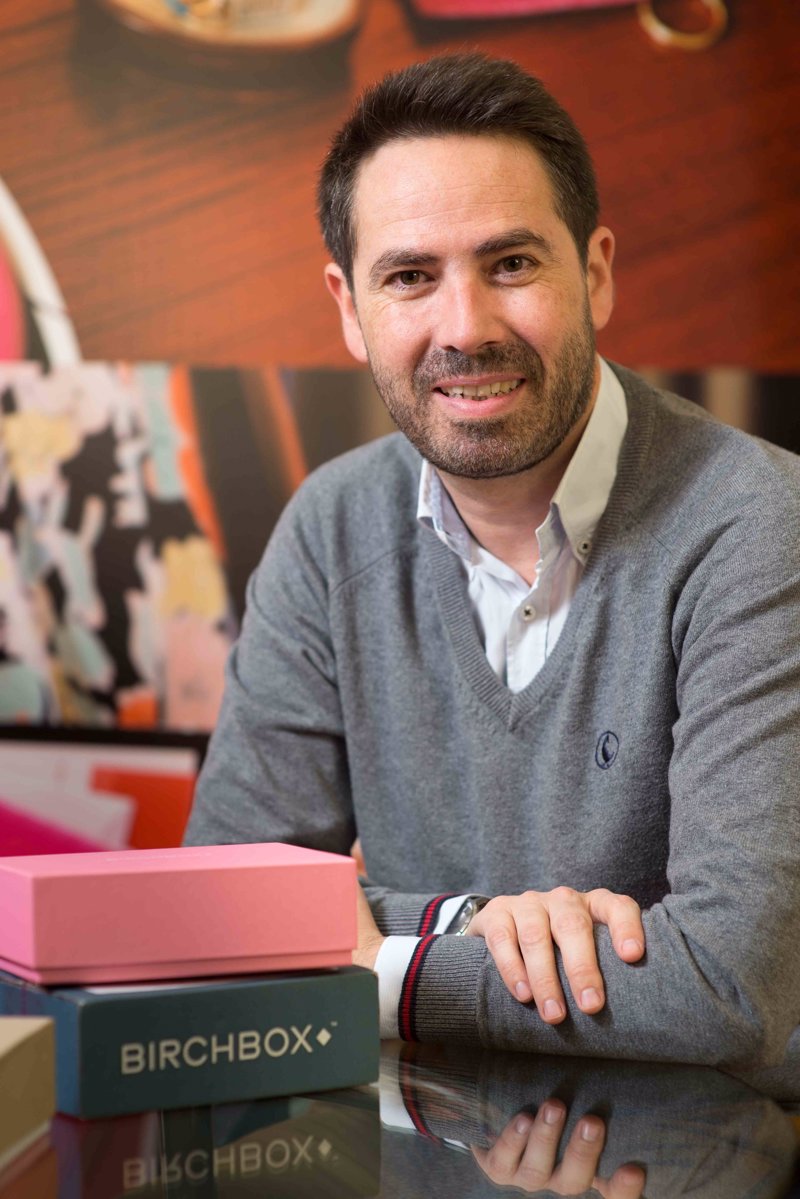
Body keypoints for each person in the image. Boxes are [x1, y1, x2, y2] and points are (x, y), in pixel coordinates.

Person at [185, 53, 800, 1094]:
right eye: (409, 277)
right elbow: (216, 913)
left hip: (716, 1151)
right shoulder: (331, 528)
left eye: (510, 263)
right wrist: (466, 921)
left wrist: (384, 963)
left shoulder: (759, 525)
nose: (464, 327)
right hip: (422, 1144)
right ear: (349, 307)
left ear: (594, 272)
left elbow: (728, 985)